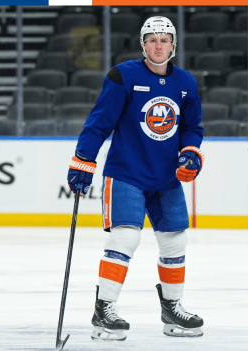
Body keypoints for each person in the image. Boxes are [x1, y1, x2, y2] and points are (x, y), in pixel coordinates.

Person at [66, 16, 205, 341]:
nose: (159, 45)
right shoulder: (123, 75)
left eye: (164, 39)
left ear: (173, 45)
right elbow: (99, 122)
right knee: (125, 239)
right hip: (126, 173)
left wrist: (190, 153)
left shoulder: (186, 83)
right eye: (152, 39)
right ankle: (104, 310)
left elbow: (191, 128)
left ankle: (172, 308)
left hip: (166, 178)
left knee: (175, 240)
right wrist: (83, 160)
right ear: (143, 44)